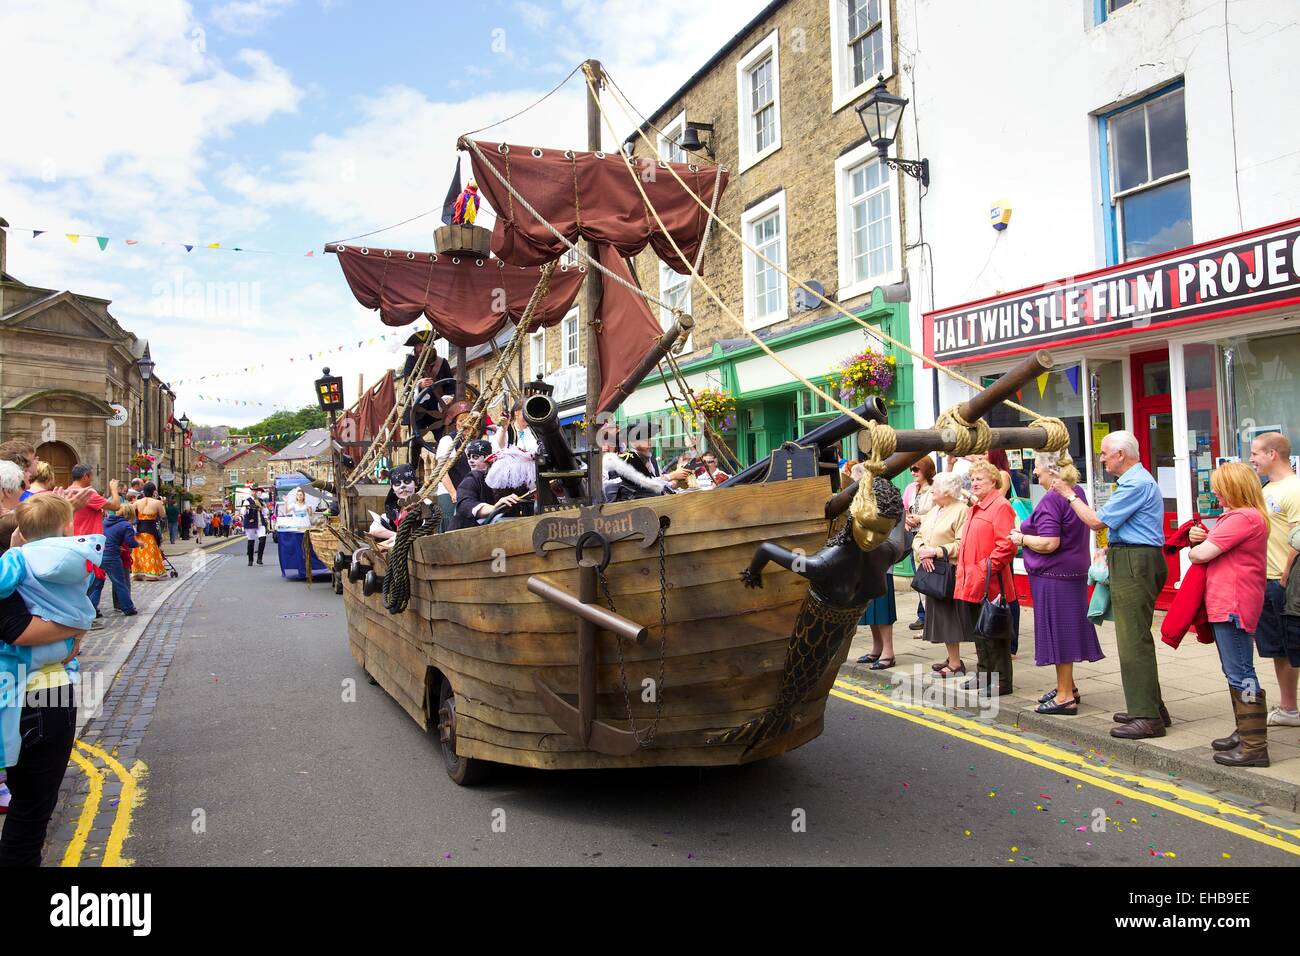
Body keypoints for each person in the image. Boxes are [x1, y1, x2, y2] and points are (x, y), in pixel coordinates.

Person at [1052, 430, 1169, 739]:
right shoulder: (1136, 481)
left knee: (1133, 640)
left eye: (1104, 453)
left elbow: (1095, 521)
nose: (1101, 458)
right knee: (1134, 636)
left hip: (1136, 561)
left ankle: (1147, 717)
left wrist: (1069, 494)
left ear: (1121, 455)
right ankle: (1150, 706)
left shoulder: (1135, 483)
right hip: (1131, 558)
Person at [0, 492, 88, 866]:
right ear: (68, 527)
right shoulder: (69, 560)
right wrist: (76, 628)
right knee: (32, 811)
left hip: (23, 690)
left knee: (26, 803)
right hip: (42, 695)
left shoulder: (18, 562)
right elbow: (18, 630)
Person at [1183, 462, 1271, 766]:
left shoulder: (1243, 518)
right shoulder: (1243, 517)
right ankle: (1245, 731)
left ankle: (1254, 745)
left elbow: (1201, 554)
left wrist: (1198, 546)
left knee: (1242, 673)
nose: (1215, 492)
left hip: (1233, 605)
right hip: (1229, 603)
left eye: (1220, 486)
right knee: (1236, 671)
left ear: (1234, 487)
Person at [1011, 453, 1104, 715]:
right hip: (1072, 572)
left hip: (1054, 576)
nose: (1035, 474)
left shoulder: (1052, 499)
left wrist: (1020, 538)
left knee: (1059, 635)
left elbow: (1050, 542)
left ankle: (1064, 697)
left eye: (1038, 469)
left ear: (1052, 472)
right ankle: (1068, 686)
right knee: (1065, 631)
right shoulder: (1077, 493)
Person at [1231, 432, 1300, 729]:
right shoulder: (1266, 487)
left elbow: (1298, 538)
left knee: (1293, 646)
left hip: (1286, 582)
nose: (1251, 459)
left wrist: (1285, 574)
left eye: (1256, 453)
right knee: (1277, 648)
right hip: (1266, 580)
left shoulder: (1294, 488)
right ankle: (1289, 708)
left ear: (1273, 454)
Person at [955, 460, 1018, 696]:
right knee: (979, 632)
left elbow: (1007, 545)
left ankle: (1001, 681)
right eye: (972, 479)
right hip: (972, 581)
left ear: (994, 481)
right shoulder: (975, 507)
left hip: (990, 582)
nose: (974, 483)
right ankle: (983, 675)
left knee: (994, 633)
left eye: (979, 479)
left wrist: (984, 568)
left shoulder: (1000, 506)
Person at [911, 472, 969, 676]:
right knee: (940, 618)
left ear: (946, 490)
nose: (932, 489)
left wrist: (934, 552)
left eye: (935, 486)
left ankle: (955, 664)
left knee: (948, 618)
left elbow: (962, 545)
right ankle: (952, 659)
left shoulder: (961, 510)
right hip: (932, 569)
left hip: (949, 571)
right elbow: (918, 536)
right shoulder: (936, 510)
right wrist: (922, 551)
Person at [453, 440, 527, 529]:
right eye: (469, 457)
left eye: (475, 457)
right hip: (465, 535)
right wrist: (494, 509)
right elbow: (465, 504)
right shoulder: (472, 478)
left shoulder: (505, 479)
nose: (470, 461)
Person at [904, 457, 937, 632]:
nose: (913, 472)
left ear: (926, 469)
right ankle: (926, 616)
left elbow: (940, 512)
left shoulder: (934, 489)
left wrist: (920, 518)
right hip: (913, 537)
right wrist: (906, 521)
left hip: (930, 538)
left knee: (931, 578)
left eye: (916, 469)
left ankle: (933, 617)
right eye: (911, 469)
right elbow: (904, 509)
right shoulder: (910, 488)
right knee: (920, 578)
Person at [91, 502, 140, 618]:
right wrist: (139, 543)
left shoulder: (105, 522)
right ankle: (128, 608)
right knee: (120, 583)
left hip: (98, 554)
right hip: (112, 556)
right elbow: (130, 543)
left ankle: (92, 609)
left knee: (97, 583)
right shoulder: (126, 525)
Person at [434, 402, 477, 534]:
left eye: (468, 420)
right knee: (451, 526)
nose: (464, 423)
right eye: (461, 420)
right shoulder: (448, 440)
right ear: (456, 422)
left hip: (466, 493)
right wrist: (453, 493)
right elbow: (443, 470)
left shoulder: (472, 442)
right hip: (450, 493)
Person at [69, 465, 121, 535]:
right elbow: (116, 506)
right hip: (89, 539)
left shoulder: (67, 491)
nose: (92, 479)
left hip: (74, 536)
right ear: (85, 476)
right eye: (91, 476)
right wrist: (114, 489)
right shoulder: (88, 494)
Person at [131, 483, 166, 581]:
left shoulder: (137, 502)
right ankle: (151, 574)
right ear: (153, 491)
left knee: (139, 551)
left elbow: (130, 512)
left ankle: (138, 573)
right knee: (150, 551)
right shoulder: (157, 503)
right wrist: (162, 503)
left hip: (140, 530)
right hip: (151, 530)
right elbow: (163, 515)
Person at [243, 494, 269, 566]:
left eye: (257, 491)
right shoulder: (247, 501)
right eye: (254, 491)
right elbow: (243, 512)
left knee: (263, 539)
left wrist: (263, 507)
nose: (255, 493)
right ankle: (250, 560)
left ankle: (259, 559)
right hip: (250, 522)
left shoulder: (261, 501)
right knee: (251, 541)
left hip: (260, 523)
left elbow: (265, 512)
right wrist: (247, 508)